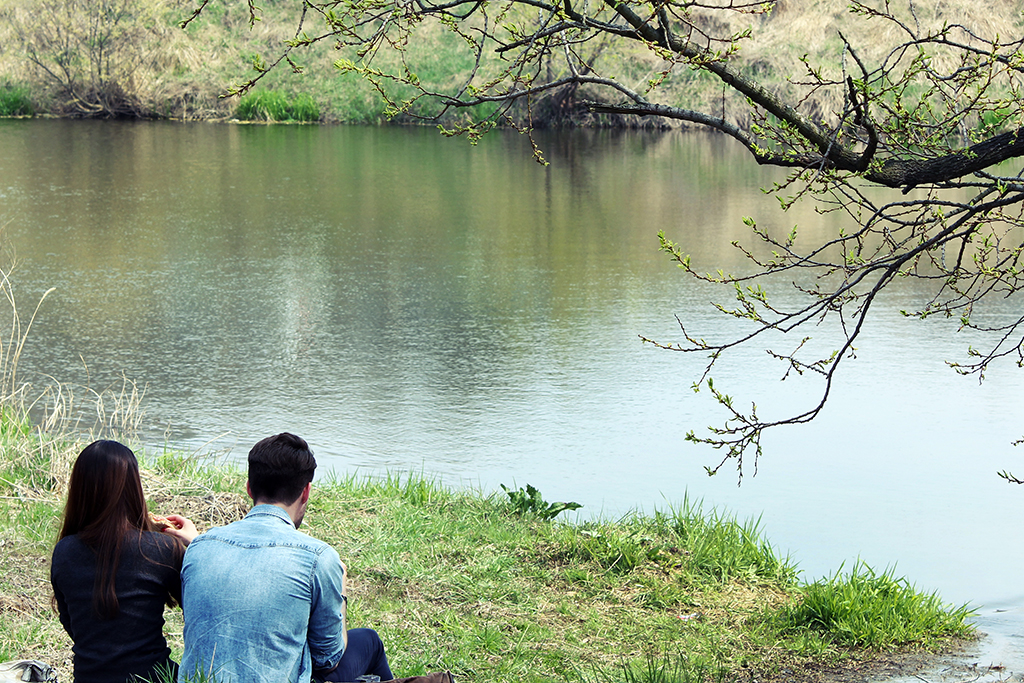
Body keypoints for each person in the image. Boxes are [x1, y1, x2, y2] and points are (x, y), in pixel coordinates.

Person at [178, 432, 393, 683]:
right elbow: (328, 659)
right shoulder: (319, 558)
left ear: (249, 487)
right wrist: (341, 591)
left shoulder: (199, 547)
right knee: (369, 641)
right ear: (306, 492)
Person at [50, 439, 199, 683]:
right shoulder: (162, 548)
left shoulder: (64, 551)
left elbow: (72, 625)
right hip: (153, 678)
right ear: (133, 487)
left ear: (79, 490)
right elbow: (200, 611)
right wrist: (197, 544)